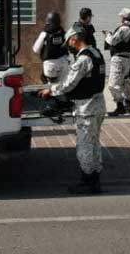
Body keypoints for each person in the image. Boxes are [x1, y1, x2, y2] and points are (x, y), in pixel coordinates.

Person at [39, 28, 106, 194]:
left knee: (84, 146)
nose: (69, 46)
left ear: (74, 39)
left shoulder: (83, 59)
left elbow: (69, 84)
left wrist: (51, 91)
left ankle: (87, 182)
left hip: (86, 108)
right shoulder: (96, 53)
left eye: (69, 42)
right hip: (98, 105)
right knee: (95, 144)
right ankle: (95, 180)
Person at [104, 8, 130, 117]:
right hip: (127, 58)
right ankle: (128, 106)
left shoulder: (123, 28)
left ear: (123, 17)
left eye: (120, 17)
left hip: (118, 59)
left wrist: (108, 35)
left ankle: (120, 106)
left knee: (112, 85)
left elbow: (113, 41)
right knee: (125, 82)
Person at [33, 11, 69, 84]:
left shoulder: (45, 34)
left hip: (50, 66)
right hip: (64, 64)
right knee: (63, 86)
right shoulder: (64, 33)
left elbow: (36, 49)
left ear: (48, 22)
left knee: (50, 88)